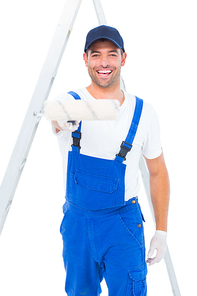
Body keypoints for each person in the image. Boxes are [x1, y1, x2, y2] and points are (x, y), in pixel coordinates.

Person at [52, 25, 170, 296]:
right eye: (95, 55)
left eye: (111, 54)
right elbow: (54, 114)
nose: (103, 62)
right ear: (85, 59)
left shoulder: (144, 114)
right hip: (77, 224)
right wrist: (67, 117)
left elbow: (157, 172)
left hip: (122, 226)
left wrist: (161, 231)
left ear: (123, 58)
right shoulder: (68, 101)